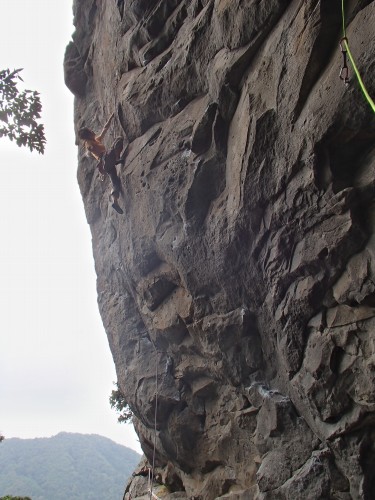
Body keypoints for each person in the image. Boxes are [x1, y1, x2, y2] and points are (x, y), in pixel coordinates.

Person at [78, 113, 126, 214]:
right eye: (90, 131)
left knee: (115, 182)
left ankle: (115, 201)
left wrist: (111, 117)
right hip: (106, 158)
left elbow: (105, 129)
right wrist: (90, 148)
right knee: (118, 140)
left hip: (106, 165)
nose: (92, 131)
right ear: (88, 134)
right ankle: (117, 159)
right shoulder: (89, 143)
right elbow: (89, 148)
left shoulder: (96, 140)